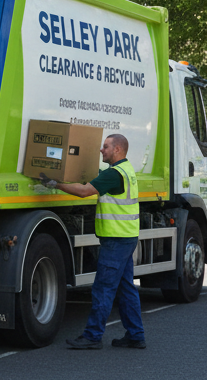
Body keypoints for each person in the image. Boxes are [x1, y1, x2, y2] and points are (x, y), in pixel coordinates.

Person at [38, 133, 145, 350]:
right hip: (126, 237)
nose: (101, 150)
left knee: (103, 288)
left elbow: (85, 191)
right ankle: (135, 335)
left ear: (117, 150)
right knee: (125, 289)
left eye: (105, 147)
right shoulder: (126, 170)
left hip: (116, 240)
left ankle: (93, 336)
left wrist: (55, 184)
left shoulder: (114, 175)